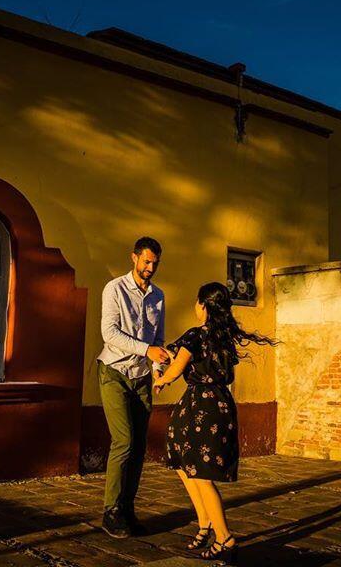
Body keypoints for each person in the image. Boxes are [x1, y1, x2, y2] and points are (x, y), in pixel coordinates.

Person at [153, 282, 276, 563]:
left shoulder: (196, 335)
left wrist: (161, 379)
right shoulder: (223, 339)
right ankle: (205, 524)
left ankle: (224, 537)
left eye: (198, 303)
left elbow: (177, 367)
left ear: (203, 305)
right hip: (219, 405)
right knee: (186, 467)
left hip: (200, 407)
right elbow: (185, 355)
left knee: (200, 474)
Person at [98, 237, 170, 538]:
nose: (150, 267)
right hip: (114, 371)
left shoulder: (158, 296)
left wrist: (157, 369)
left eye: (155, 262)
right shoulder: (114, 288)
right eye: (146, 261)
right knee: (124, 440)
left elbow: (159, 340)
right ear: (134, 258)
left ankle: (127, 509)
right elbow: (109, 332)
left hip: (142, 377)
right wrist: (146, 350)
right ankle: (110, 510)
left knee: (139, 446)